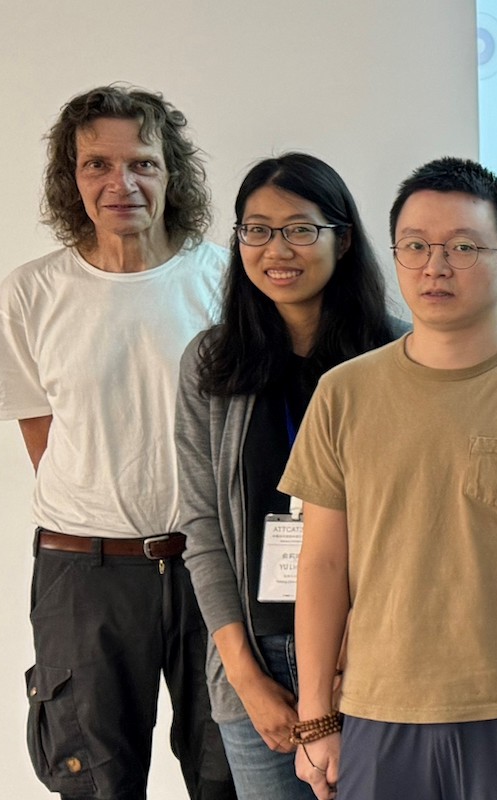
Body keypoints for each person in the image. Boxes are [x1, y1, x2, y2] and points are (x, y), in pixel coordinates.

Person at [281, 157, 497, 800]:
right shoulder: (343, 394)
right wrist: (314, 718)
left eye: (463, 247)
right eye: (415, 246)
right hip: (376, 711)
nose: (435, 267)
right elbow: (323, 564)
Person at [0, 84, 236, 800]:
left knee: (232, 775)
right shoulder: (30, 295)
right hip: (82, 572)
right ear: (72, 178)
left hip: (211, 565)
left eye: (142, 163)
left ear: (171, 173)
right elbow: (43, 432)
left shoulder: (225, 281)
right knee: (93, 781)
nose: (120, 183)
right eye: (97, 165)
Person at [176, 153, 402, 799]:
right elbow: (202, 527)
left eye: (301, 229)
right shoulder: (211, 366)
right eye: (257, 229)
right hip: (258, 661)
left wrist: (335, 676)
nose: (278, 249)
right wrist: (245, 678)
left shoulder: (395, 360)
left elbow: (409, 530)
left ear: (343, 238)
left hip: (374, 658)